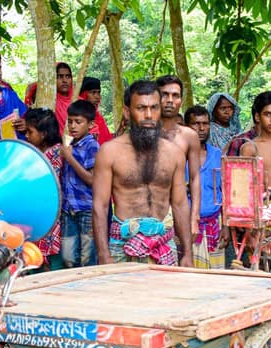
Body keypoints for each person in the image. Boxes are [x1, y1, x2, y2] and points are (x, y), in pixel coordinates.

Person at [92, 80, 192, 268]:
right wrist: (103, 254)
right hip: (121, 245)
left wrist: (187, 252)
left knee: (166, 298)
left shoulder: (174, 153)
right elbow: (100, 206)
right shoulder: (109, 152)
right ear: (128, 112)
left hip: (164, 243)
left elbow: (180, 204)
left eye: (154, 108)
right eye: (141, 108)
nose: (148, 115)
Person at [227, 90, 271, 194]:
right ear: (257, 117)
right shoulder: (249, 148)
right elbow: (243, 187)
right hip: (260, 207)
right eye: (267, 114)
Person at [156, 75, 201, 234]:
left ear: (181, 100)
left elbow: (195, 178)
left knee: (182, 257)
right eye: (165, 94)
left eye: (175, 95)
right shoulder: (144, 133)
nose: (170, 100)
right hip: (150, 210)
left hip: (179, 208)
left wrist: (194, 216)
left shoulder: (189, 136)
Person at [184, 105, 225, 269]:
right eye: (196, 124)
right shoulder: (179, 155)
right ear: (186, 127)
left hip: (215, 224)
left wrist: (226, 226)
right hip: (187, 227)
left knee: (216, 279)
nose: (201, 128)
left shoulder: (218, 154)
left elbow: (226, 192)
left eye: (205, 123)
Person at [60, 99, 99, 268]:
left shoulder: (92, 146)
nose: (73, 126)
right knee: (68, 256)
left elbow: (92, 179)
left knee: (87, 257)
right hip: (69, 209)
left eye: (78, 122)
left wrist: (70, 158)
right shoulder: (70, 145)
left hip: (87, 210)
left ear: (90, 124)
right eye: (70, 121)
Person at [24, 107, 64, 270]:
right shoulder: (34, 154)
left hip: (51, 214)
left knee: (50, 262)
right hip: (37, 213)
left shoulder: (55, 154)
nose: (26, 136)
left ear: (43, 134)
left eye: (30, 132)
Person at [78, 76, 112, 144]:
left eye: (98, 93)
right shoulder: (76, 118)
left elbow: (108, 141)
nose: (97, 97)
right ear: (84, 95)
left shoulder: (99, 117)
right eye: (93, 93)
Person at [54, 62, 73, 132]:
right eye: (59, 77)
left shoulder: (79, 102)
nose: (64, 80)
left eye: (68, 76)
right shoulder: (48, 101)